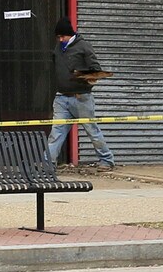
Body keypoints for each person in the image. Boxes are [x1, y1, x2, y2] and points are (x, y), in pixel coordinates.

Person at [46, 17, 116, 170]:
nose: (60, 39)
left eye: (62, 36)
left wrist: (85, 76)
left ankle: (107, 160)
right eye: (58, 37)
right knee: (56, 132)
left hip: (81, 97)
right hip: (61, 97)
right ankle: (48, 162)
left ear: (69, 34)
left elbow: (96, 69)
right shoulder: (58, 48)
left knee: (92, 130)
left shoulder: (84, 47)